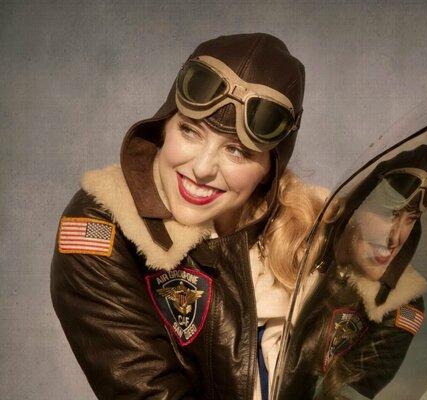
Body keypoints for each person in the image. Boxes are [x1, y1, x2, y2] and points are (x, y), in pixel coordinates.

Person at [50, 33, 325, 400]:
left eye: (236, 152)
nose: (202, 168)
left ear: (269, 169)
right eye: (190, 130)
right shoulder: (102, 227)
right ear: (164, 125)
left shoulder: (311, 228)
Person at [275, 143, 427, 400]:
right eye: (390, 215)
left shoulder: (398, 306)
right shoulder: (289, 240)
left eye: (411, 219)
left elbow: (347, 394)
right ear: (357, 208)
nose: (396, 238)